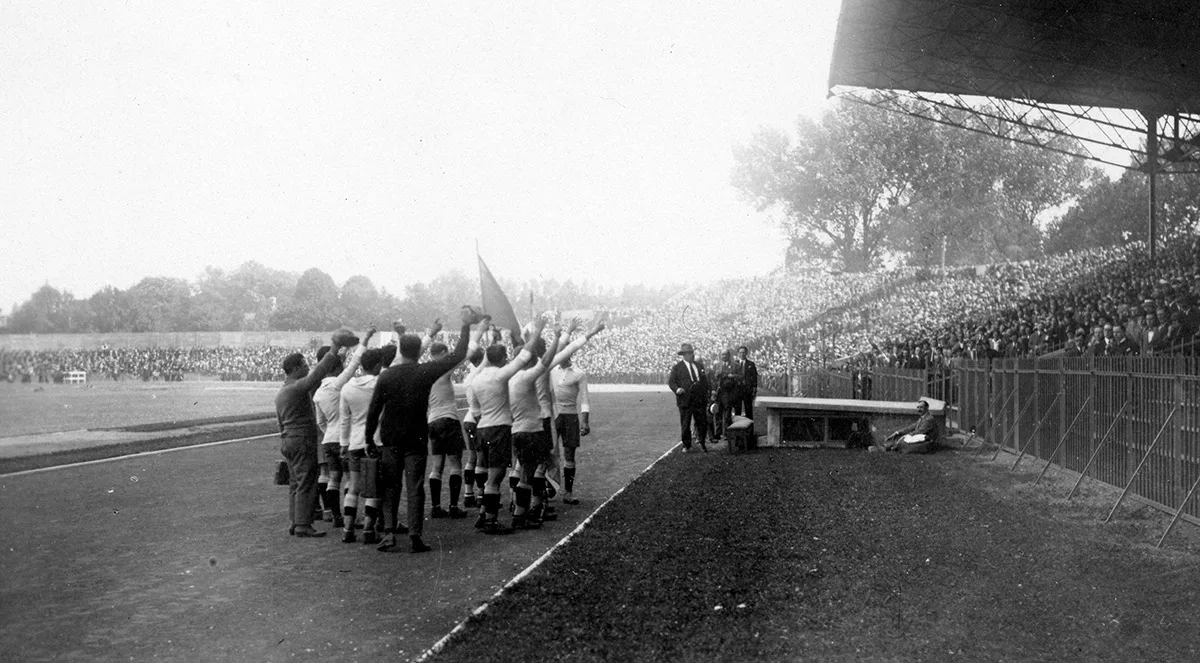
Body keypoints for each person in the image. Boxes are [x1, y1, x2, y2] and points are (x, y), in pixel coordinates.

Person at [365, 307, 480, 554]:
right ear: (419, 351)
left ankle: (388, 534)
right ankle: (415, 535)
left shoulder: (387, 376)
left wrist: (368, 439)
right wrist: (464, 325)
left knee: (390, 488)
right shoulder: (425, 371)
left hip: (390, 438)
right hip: (415, 437)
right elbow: (459, 354)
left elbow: (374, 411)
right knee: (415, 488)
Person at [467, 316, 546, 534]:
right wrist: (537, 332)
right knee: (496, 477)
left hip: (482, 426)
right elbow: (525, 356)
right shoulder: (502, 375)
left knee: (487, 475)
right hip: (499, 427)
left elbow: (483, 360)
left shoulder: (476, 377)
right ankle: (491, 520)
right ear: (502, 359)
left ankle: (484, 514)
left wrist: (484, 333)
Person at [275, 331, 353, 538]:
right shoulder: (297, 388)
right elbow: (317, 375)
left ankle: (295, 521)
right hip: (301, 440)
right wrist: (334, 349)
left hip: (288, 440)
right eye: (304, 365)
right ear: (296, 368)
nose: (307, 367)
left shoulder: (282, 392)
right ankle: (303, 524)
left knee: (295, 482)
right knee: (306, 482)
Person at [313, 329, 374, 528]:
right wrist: (364, 341)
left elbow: (320, 421)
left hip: (327, 438)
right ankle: (351, 518)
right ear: (337, 369)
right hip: (342, 438)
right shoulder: (337, 384)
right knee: (351, 480)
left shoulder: (319, 392)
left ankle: (336, 516)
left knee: (333, 479)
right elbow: (355, 363)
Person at [426, 321, 486, 520]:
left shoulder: (425, 372)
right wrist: (479, 331)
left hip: (432, 421)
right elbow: (467, 353)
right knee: (454, 464)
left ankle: (435, 506)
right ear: (443, 353)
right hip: (448, 419)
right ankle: (452, 506)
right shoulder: (442, 369)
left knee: (436, 467)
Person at [338, 347, 388, 544]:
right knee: (374, 487)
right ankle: (368, 529)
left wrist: (343, 443)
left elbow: (344, 419)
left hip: (354, 441)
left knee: (354, 487)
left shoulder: (347, 387)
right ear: (377, 365)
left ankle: (347, 529)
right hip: (376, 440)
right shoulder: (380, 383)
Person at [552, 355, 590, 505]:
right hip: (553, 415)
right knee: (550, 453)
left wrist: (585, 421)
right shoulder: (551, 370)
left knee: (569, 454)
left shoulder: (579, 373)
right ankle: (548, 490)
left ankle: (568, 492)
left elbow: (585, 398)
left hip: (570, 416)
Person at [667, 343, 710, 453]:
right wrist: (677, 389)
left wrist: (706, 394)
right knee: (685, 423)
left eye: (692, 352)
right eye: (689, 353)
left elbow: (705, 382)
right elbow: (671, 382)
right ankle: (687, 445)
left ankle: (702, 443)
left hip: (699, 399)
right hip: (685, 399)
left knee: (702, 422)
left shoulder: (699, 366)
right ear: (684, 355)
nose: (691, 355)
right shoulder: (677, 367)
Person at [736, 345, 759, 422]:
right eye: (740, 352)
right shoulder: (734, 364)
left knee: (748, 410)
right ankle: (737, 430)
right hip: (737, 390)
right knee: (737, 411)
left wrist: (754, 389)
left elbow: (754, 377)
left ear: (746, 353)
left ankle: (750, 431)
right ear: (738, 353)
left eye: (743, 352)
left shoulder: (751, 364)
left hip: (747, 390)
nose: (742, 354)